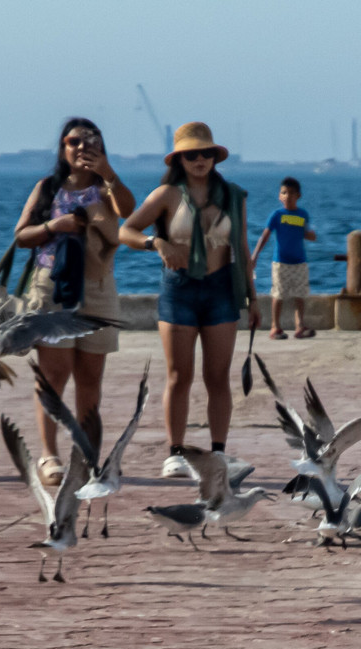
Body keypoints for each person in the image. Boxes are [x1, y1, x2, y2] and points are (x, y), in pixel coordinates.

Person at [120, 122, 260, 478]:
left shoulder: (233, 196)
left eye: (206, 153)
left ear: (215, 157)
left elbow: (241, 248)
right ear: (179, 159)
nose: (200, 159)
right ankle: (176, 452)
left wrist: (254, 299)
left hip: (221, 290)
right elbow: (126, 231)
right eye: (191, 154)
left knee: (218, 376)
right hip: (178, 289)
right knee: (179, 375)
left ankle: (218, 452)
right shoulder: (166, 195)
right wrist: (158, 243)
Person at [13, 118, 135, 486]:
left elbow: (129, 210)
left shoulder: (106, 188)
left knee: (90, 377)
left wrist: (107, 171)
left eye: (90, 141)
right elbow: (22, 236)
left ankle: (86, 453)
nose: (81, 148)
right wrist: (54, 226)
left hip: (97, 287)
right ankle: (49, 455)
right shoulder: (48, 188)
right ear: (62, 147)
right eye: (73, 141)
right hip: (53, 286)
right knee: (53, 374)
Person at [249, 176, 317, 340]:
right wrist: (255, 255)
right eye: (284, 193)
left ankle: (300, 326)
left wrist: (310, 235)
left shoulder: (302, 215)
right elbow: (264, 236)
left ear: (298, 196)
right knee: (278, 294)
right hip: (281, 262)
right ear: (280, 196)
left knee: (300, 295)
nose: (288, 196)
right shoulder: (277, 215)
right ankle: (275, 327)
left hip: (300, 262)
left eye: (292, 193)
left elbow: (307, 233)